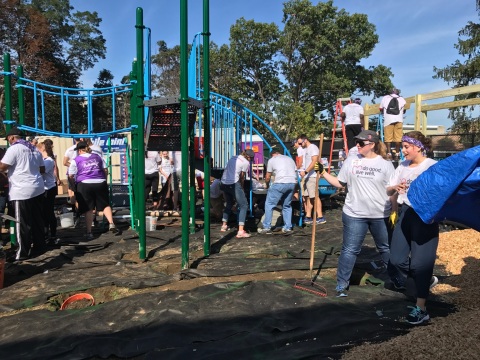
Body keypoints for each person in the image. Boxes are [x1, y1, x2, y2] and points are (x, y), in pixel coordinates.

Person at [319, 130, 394, 297]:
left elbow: (392, 190)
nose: (357, 146)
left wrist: (395, 210)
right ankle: (341, 284)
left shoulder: (386, 165)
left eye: (361, 143)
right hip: (354, 214)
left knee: (386, 249)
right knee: (350, 250)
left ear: (372, 144)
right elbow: (339, 183)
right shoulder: (351, 161)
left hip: (380, 214)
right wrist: (323, 172)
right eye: (356, 143)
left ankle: (398, 280)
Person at [386, 131, 438, 325]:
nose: (403, 150)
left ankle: (421, 309)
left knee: (419, 265)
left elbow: (442, 191)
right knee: (397, 259)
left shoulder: (432, 166)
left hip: (425, 217)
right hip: (405, 214)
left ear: (418, 147)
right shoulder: (402, 166)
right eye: (403, 146)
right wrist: (394, 189)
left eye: (407, 146)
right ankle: (425, 278)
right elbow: (388, 188)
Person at [0, 127, 46, 261]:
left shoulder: (14, 149)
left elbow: (3, 166)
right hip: (38, 188)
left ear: (12, 138)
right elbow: (42, 169)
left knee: (22, 223)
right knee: (37, 219)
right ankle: (40, 246)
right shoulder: (34, 149)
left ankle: (22, 252)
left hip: (22, 190)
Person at [68, 141, 120, 240]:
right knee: (105, 204)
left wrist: (73, 186)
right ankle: (111, 223)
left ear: (79, 150)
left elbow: (70, 175)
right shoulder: (98, 157)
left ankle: (89, 232)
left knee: (89, 208)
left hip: (85, 184)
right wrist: (104, 180)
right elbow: (105, 170)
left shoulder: (76, 160)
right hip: (100, 182)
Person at [257, 146, 297, 234]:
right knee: (287, 205)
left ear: (273, 154)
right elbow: (295, 172)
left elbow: (267, 176)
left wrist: (267, 185)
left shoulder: (272, 160)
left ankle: (266, 227)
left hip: (280, 183)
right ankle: (287, 227)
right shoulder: (290, 159)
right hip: (292, 183)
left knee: (269, 204)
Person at [220, 149, 254, 238]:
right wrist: (241, 188)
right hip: (233, 183)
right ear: (248, 157)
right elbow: (241, 177)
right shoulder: (246, 162)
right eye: (251, 158)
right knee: (244, 205)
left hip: (223, 183)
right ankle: (241, 231)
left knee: (229, 203)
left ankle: (224, 225)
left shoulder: (234, 157)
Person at [297, 135, 325, 225]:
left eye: (301, 143)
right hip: (307, 176)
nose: (300, 145)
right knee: (309, 197)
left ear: (305, 140)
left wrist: (306, 171)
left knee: (314, 196)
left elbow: (315, 161)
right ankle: (308, 216)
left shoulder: (313, 147)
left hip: (312, 175)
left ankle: (320, 216)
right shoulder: (306, 149)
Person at [38, 141, 58, 243]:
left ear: (43, 149)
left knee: (48, 212)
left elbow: (41, 170)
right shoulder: (44, 160)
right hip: (44, 188)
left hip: (49, 188)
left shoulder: (49, 160)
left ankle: (53, 234)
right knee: (44, 213)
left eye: (39, 148)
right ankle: (45, 234)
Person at [379, 88, 407, 159]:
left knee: (388, 138)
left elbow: (381, 109)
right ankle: (397, 154)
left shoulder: (385, 98)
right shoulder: (401, 99)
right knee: (398, 138)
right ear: (397, 93)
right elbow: (404, 110)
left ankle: (389, 154)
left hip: (388, 120)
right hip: (399, 120)